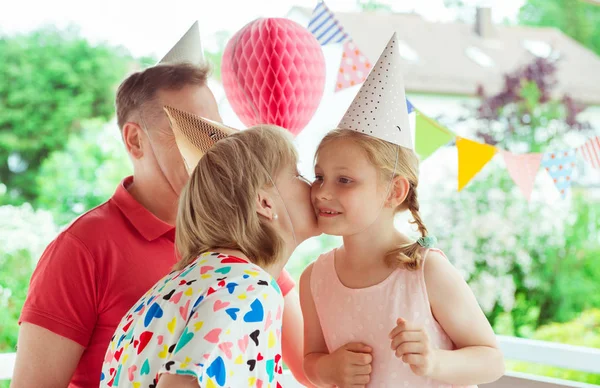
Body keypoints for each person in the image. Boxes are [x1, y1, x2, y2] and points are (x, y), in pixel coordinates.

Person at [12, 27, 310, 387]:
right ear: (136, 140)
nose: (210, 149)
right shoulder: (82, 249)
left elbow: (310, 366)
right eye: (188, 129)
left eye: (215, 132)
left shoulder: (244, 240)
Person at [300, 34, 505, 388]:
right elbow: (311, 360)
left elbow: (492, 360)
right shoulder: (314, 279)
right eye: (319, 176)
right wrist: (326, 369)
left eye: (345, 180)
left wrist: (435, 362)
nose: (322, 191)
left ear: (394, 191)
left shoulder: (427, 272)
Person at [100, 112, 318, 387]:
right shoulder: (247, 287)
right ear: (264, 202)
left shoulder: (168, 290)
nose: (313, 185)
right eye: (297, 175)